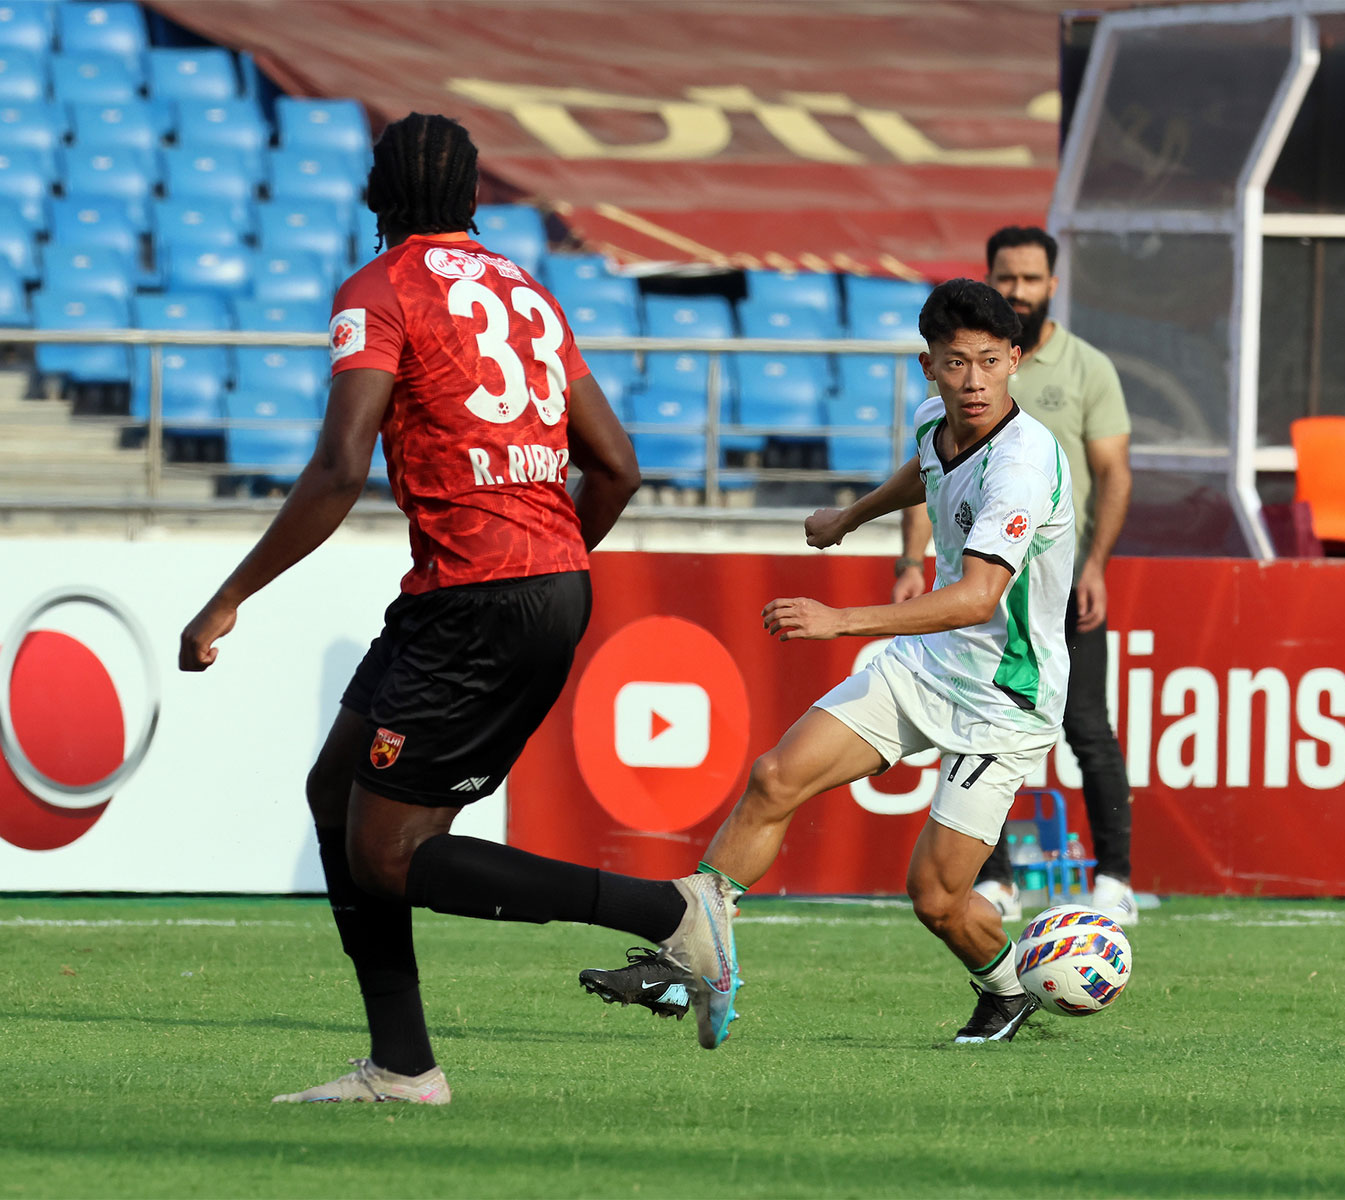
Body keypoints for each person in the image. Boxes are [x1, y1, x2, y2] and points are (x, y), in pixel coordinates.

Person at [177, 113, 735, 1100]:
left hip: (476, 599)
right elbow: (617, 465)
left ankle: (669, 911)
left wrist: (229, 597)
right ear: (475, 198)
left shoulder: (378, 290)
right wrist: (550, 559)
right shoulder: (528, 293)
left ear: (374, 196)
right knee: (335, 792)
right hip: (488, 590)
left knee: (391, 856)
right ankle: (401, 1066)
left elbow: (340, 464)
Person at [580, 279, 1076, 1044]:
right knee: (775, 777)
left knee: (938, 899)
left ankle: (1007, 989)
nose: (972, 381)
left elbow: (979, 597)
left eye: (987, 362)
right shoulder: (936, 419)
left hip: (1005, 696)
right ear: (928, 368)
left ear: (1015, 360)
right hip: (930, 662)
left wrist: (840, 619)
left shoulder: (1024, 465)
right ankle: (686, 964)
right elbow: (927, 465)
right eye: (954, 363)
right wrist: (851, 515)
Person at [893, 226, 1136, 927]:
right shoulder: (958, 375)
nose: (1018, 289)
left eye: (1031, 278)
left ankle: (1115, 878)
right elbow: (931, 473)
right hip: (976, 588)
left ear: (1051, 285)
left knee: (1089, 728)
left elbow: (1115, 472)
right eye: (1007, 277)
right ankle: (993, 880)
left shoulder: (1087, 368)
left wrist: (1096, 563)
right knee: (970, 723)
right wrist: (914, 561)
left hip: (1058, 578)